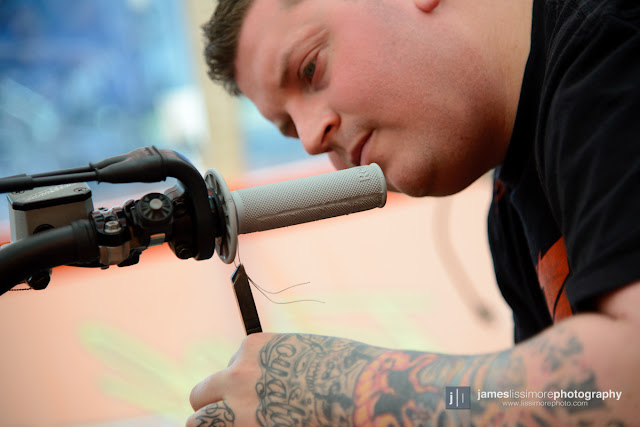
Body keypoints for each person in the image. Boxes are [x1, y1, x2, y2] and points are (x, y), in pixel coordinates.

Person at [187, 0, 640, 424]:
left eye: (310, 68)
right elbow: (524, 401)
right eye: (289, 128)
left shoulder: (614, 51)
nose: (310, 138)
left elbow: (628, 379)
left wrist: (349, 392)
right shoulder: (512, 210)